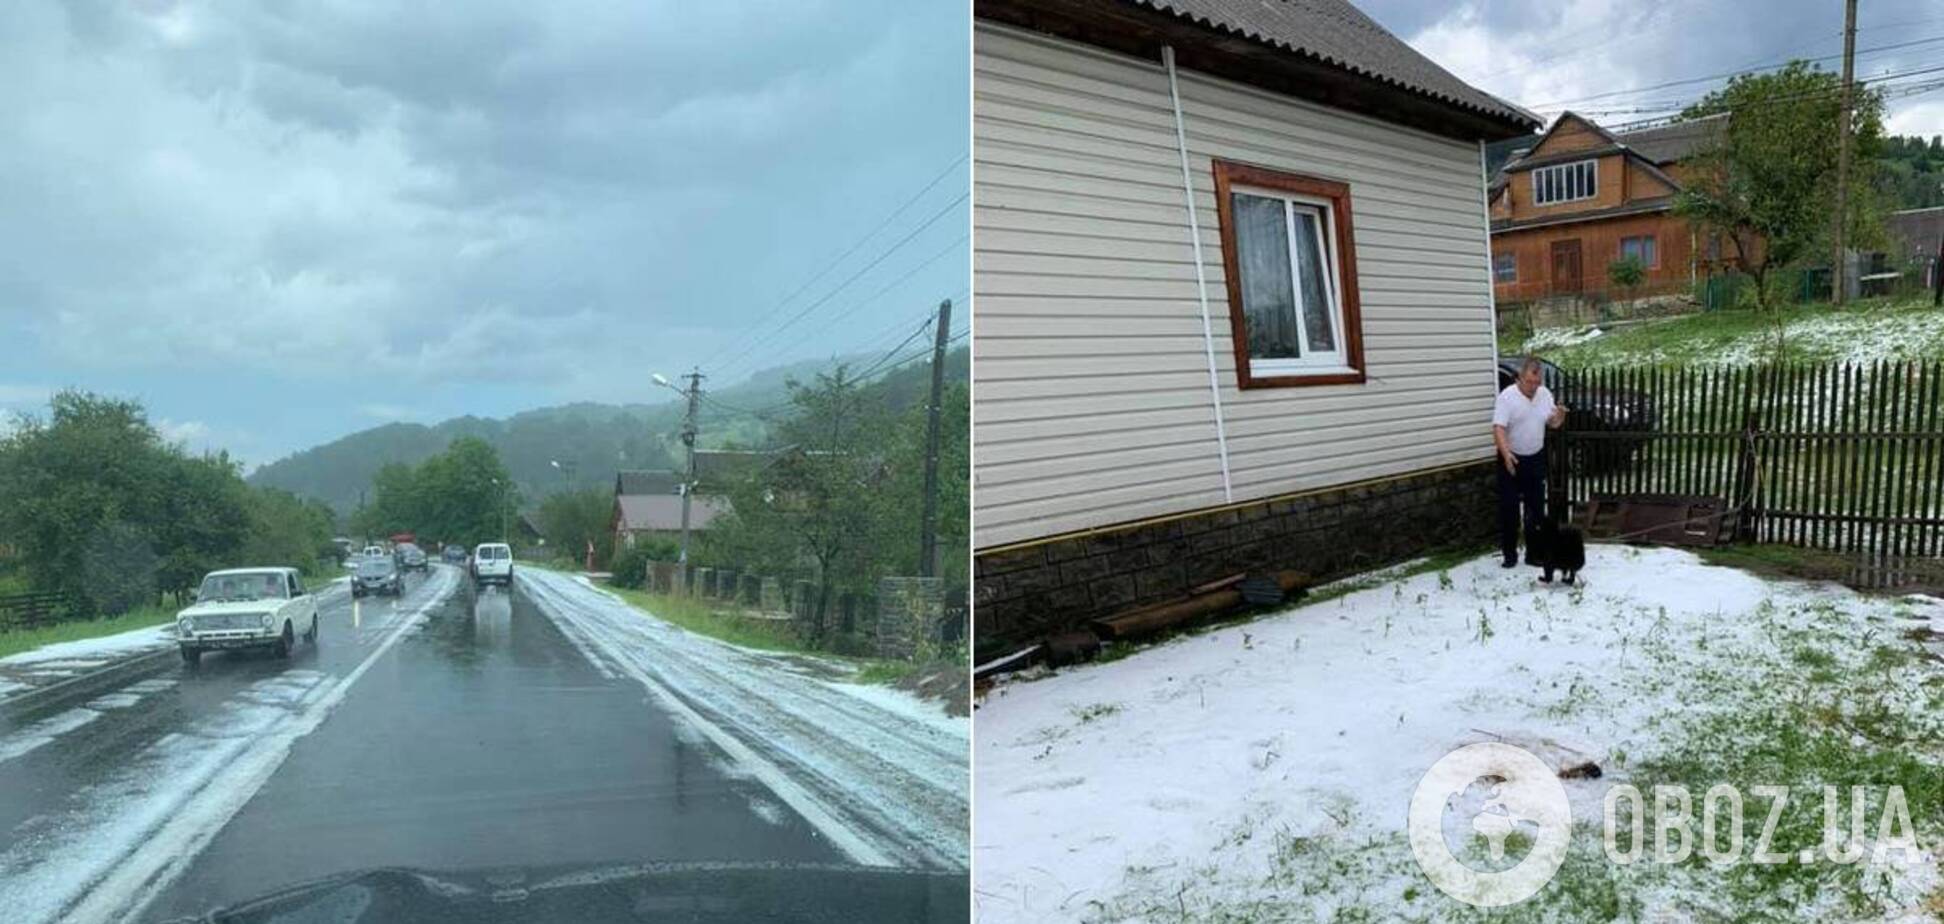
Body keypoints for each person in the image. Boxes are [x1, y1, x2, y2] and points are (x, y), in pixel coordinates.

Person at [1493, 357, 1568, 568]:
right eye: (1529, 382)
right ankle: (1509, 555)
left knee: (1535, 509)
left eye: (1537, 382)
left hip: (1535, 457)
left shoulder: (1544, 395)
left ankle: (1533, 554)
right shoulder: (1507, 397)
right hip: (1511, 458)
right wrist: (1506, 454)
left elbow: (1552, 423)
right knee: (1510, 509)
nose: (1533, 387)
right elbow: (1498, 428)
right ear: (1519, 378)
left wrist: (1560, 416)